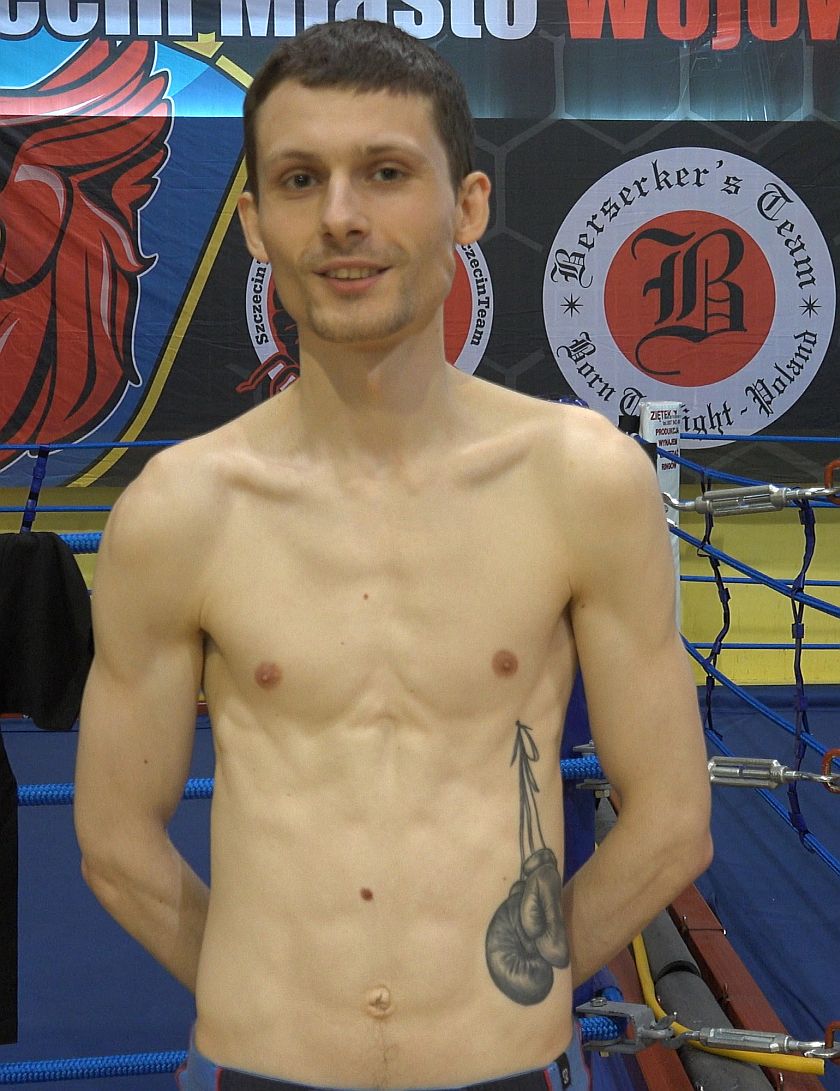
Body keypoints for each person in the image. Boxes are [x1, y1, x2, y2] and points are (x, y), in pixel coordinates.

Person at [74, 19, 712, 1091]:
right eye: (299, 179)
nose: (341, 217)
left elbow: (672, 821)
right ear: (254, 224)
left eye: (385, 172)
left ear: (468, 204)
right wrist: (259, 988)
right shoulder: (179, 511)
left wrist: (521, 983)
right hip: (259, 1065)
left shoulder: (582, 482)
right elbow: (113, 836)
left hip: (507, 1064)